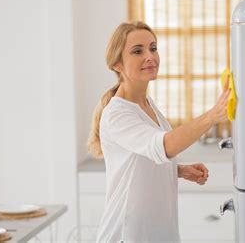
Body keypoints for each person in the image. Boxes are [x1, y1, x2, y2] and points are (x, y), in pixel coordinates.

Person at [87, 21, 230, 242]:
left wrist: (179, 170)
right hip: (128, 235)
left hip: (158, 233)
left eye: (153, 48)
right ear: (117, 64)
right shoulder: (117, 114)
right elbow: (163, 146)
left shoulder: (147, 104)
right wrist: (212, 115)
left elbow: (143, 158)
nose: (150, 56)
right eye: (137, 51)